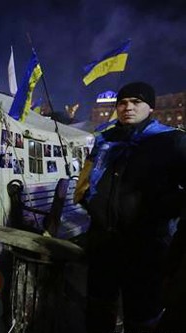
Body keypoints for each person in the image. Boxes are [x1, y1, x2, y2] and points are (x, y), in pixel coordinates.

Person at [74, 82, 186, 332]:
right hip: (104, 243)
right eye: (123, 103)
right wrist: (89, 202)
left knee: (142, 314)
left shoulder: (171, 141)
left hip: (146, 247)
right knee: (99, 308)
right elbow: (86, 179)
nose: (128, 108)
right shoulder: (106, 139)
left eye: (136, 102)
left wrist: (165, 208)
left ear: (151, 107)